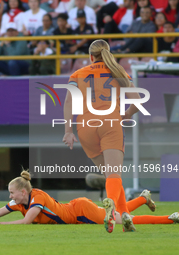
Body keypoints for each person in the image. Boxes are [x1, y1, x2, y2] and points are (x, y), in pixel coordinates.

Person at [62, 39, 142, 233]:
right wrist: (127, 114)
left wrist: (68, 131)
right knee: (114, 176)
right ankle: (111, 207)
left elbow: (68, 103)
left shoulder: (77, 74)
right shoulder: (118, 72)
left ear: (90, 56)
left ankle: (125, 217)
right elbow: (138, 101)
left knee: (110, 176)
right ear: (108, 53)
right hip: (110, 124)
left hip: (85, 126)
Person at [0, 170, 179, 226]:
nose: (9, 197)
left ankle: (170, 218)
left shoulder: (37, 198)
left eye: (11, 193)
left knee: (122, 220)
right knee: (119, 214)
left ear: (23, 192)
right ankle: (142, 198)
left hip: (81, 213)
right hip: (77, 207)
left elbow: (27, 222)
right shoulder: (20, 202)